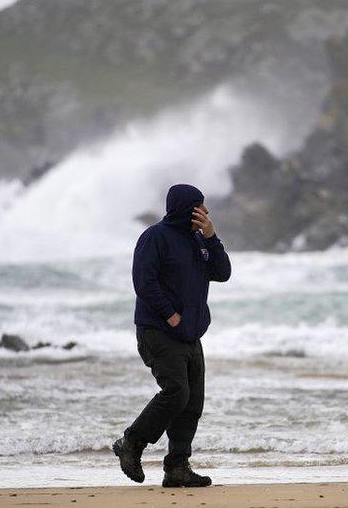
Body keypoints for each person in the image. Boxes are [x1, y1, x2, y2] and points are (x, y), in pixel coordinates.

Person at [112, 183, 232, 487]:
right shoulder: (154, 237)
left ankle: (177, 467)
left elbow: (222, 272)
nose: (204, 212)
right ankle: (132, 443)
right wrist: (170, 314)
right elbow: (144, 281)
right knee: (176, 392)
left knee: (192, 403)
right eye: (199, 206)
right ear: (183, 207)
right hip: (158, 330)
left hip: (190, 334)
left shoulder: (198, 240)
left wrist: (211, 236)